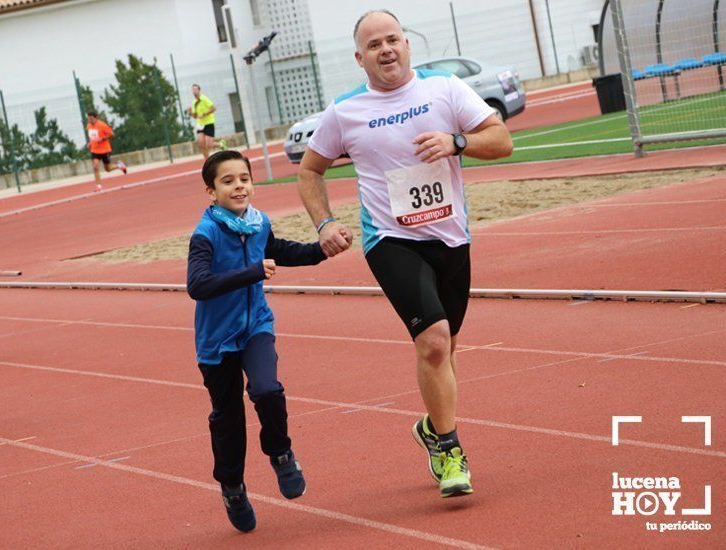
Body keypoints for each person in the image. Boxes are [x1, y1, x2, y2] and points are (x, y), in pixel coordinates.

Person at [297, 10, 513, 498]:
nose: (386, 49)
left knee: (448, 349)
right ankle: (451, 452)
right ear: (360, 58)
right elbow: (310, 171)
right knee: (434, 342)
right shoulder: (344, 111)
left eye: (392, 39)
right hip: (390, 240)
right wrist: (325, 222)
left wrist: (457, 142)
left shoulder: (445, 89)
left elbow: (502, 140)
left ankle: (433, 426)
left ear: (408, 45)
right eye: (374, 45)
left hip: (451, 237)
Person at [187, 150, 328, 532]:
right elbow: (197, 286)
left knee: (267, 389)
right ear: (211, 192)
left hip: (256, 327)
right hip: (217, 341)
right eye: (228, 181)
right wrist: (251, 272)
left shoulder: (258, 223)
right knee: (228, 419)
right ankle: (232, 486)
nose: (239, 186)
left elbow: (279, 250)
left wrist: (320, 250)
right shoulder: (206, 234)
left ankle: (281, 454)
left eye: (244, 179)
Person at [86, 111, 126, 191]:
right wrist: (90, 143)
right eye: (88, 118)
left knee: (107, 169)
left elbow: (112, 134)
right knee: (95, 166)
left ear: (95, 117)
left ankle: (119, 165)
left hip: (104, 150)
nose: (89, 120)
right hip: (94, 150)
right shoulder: (89, 126)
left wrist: (103, 138)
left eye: (91, 118)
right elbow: (92, 136)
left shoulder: (102, 125)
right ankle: (98, 186)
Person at [186, 84, 217, 159]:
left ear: (199, 90)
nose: (194, 91)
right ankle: (207, 160)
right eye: (193, 90)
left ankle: (221, 144)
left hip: (209, 123)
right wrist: (190, 112)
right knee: (201, 144)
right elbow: (195, 116)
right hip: (200, 124)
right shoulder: (194, 102)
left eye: (196, 89)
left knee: (209, 145)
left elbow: (213, 108)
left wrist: (204, 114)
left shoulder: (204, 99)